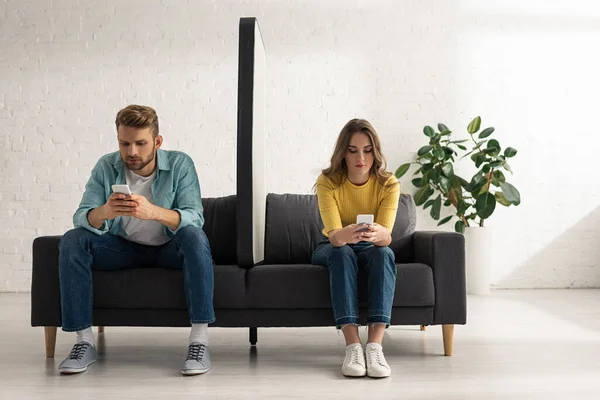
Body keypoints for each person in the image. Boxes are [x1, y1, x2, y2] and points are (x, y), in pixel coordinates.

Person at [57, 105, 214, 376]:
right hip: (122, 249)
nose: (131, 152)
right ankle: (84, 342)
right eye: (124, 143)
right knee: (73, 240)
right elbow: (82, 216)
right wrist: (104, 212)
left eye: (140, 143)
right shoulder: (106, 166)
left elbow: (194, 217)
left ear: (157, 141)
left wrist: (153, 212)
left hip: (168, 248)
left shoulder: (180, 164)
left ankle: (199, 341)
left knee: (195, 236)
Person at [312, 118, 400, 378]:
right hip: (332, 245)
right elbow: (335, 237)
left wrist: (378, 233)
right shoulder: (328, 181)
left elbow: (386, 239)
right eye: (353, 151)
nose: (361, 157)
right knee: (341, 253)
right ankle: (352, 346)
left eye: (367, 150)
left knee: (384, 254)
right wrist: (347, 233)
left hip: (370, 246)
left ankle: (374, 347)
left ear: (375, 152)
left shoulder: (388, 184)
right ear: (343, 153)